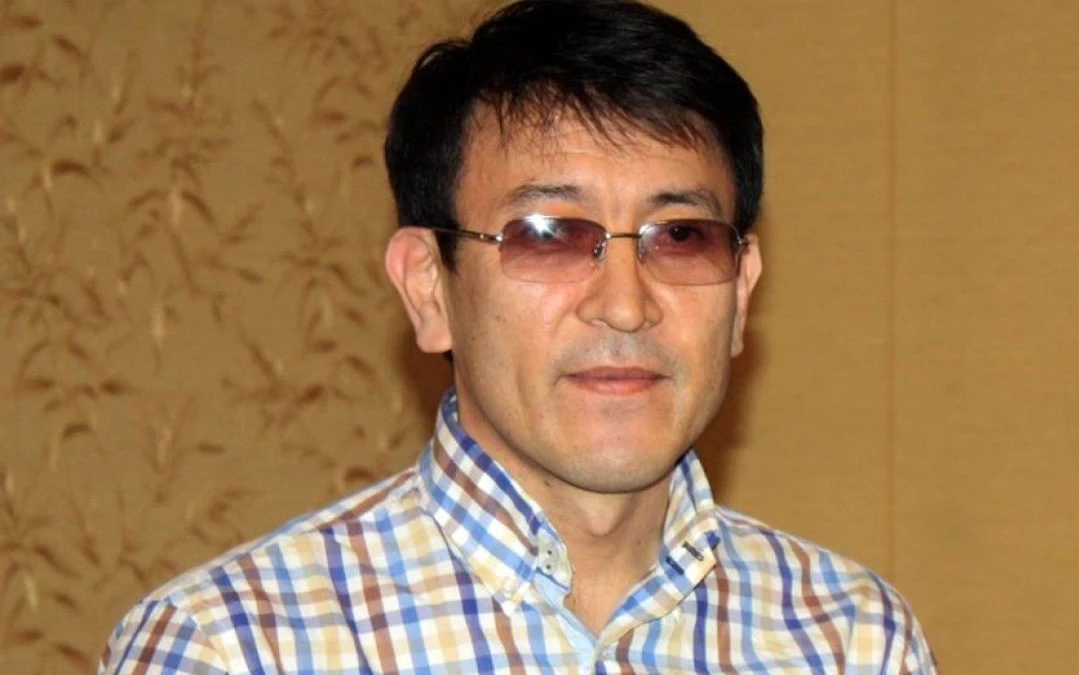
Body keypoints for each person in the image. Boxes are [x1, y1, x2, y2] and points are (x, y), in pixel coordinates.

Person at [99, 0, 937, 672]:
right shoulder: (233, 646)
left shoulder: (851, 640)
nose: (625, 306)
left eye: (681, 236)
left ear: (742, 292)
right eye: (549, 235)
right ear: (429, 288)